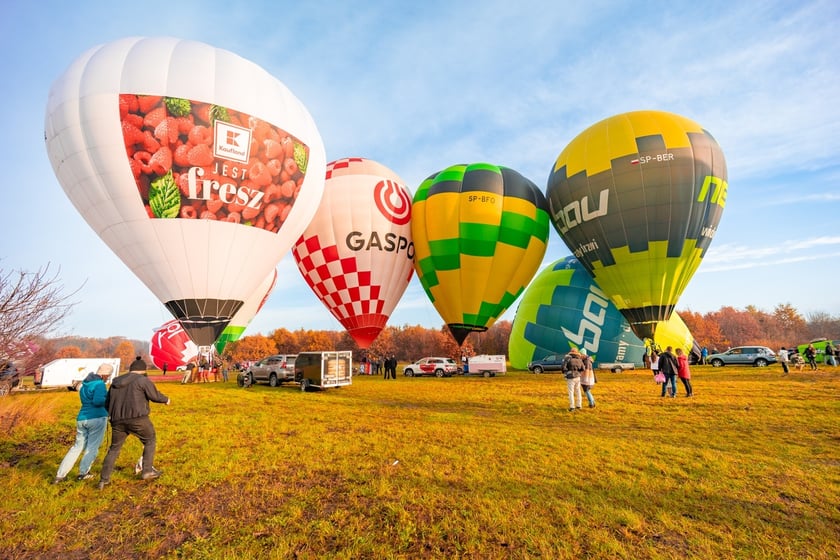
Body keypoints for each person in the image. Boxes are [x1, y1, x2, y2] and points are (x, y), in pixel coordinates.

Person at [98, 358, 170, 490]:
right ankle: (147, 471)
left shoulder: (115, 382)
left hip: (117, 420)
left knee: (114, 448)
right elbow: (154, 395)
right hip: (138, 419)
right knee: (150, 440)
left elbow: (107, 402)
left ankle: (104, 479)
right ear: (142, 370)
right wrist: (166, 399)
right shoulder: (142, 380)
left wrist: (113, 414)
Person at [53, 363, 113, 484]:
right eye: (108, 376)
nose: (108, 379)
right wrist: (109, 399)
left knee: (76, 447)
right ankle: (83, 473)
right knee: (92, 447)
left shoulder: (84, 384)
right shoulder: (100, 384)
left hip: (82, 418)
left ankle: (60, 475)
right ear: (105, 375)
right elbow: (98, 401)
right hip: (97, 418)